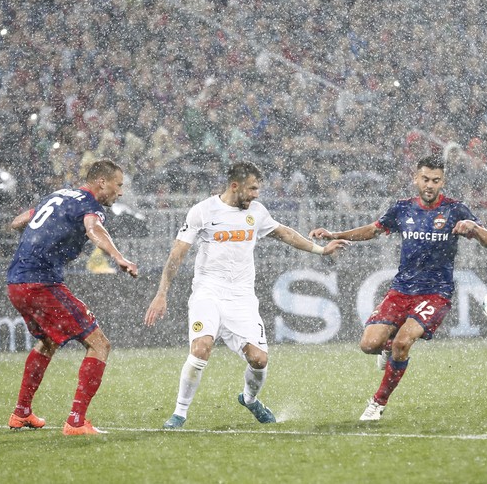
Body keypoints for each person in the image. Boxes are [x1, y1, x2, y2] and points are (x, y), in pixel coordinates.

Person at [144, 161, 348, 428]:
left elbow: (284, 233)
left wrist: (321, 250)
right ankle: (179, 413)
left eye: (258, 189)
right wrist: (162, 294)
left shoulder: (257, 212)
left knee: (259, 359)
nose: (256, 194)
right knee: (201, 349)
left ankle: (250, 399)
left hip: (242, 297)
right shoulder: (203, 211)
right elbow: (177, 254)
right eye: (252, 189)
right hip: (209, 292)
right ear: (234, 186)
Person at [309, 154, 487, 421]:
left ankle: (377, 403)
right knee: (368, 345)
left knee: (402, 343)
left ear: (443, 182)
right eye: (425, 179)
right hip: (401, 290)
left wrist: (474, 229)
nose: (430, 185)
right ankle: (386, 349)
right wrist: (336, 234)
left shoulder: (456, 209)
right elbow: (373, 230)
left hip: (436, 293)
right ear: (415, 179)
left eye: (436, 180)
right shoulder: (402, 208)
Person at [6, 159, 139, 436]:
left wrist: (40, 236)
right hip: (42, 283)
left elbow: (18, 221)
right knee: (99, 344)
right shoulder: (88, 205)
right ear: (101, 182)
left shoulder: (58, 195)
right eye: (118, 185)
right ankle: (76, 422)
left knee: (47, 342)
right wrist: (119, 258)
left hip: (17, 282)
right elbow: (94, 230)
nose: (121, 192)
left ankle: (21, 413)